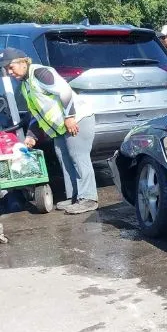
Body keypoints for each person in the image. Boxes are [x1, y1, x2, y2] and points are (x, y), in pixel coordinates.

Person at [0, 47, 98, 214]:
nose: (10, 72)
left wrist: (69, 117)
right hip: (60, 128)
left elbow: (65, 92)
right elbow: (37, 113)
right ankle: (75, 197)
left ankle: (88, 198)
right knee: (64, 158)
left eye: (11, 67)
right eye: (6, 69)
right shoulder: (26, 84)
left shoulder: (40, 73)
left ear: (23, 61)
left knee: (78, 157)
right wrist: (31, 135)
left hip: (77, 119)